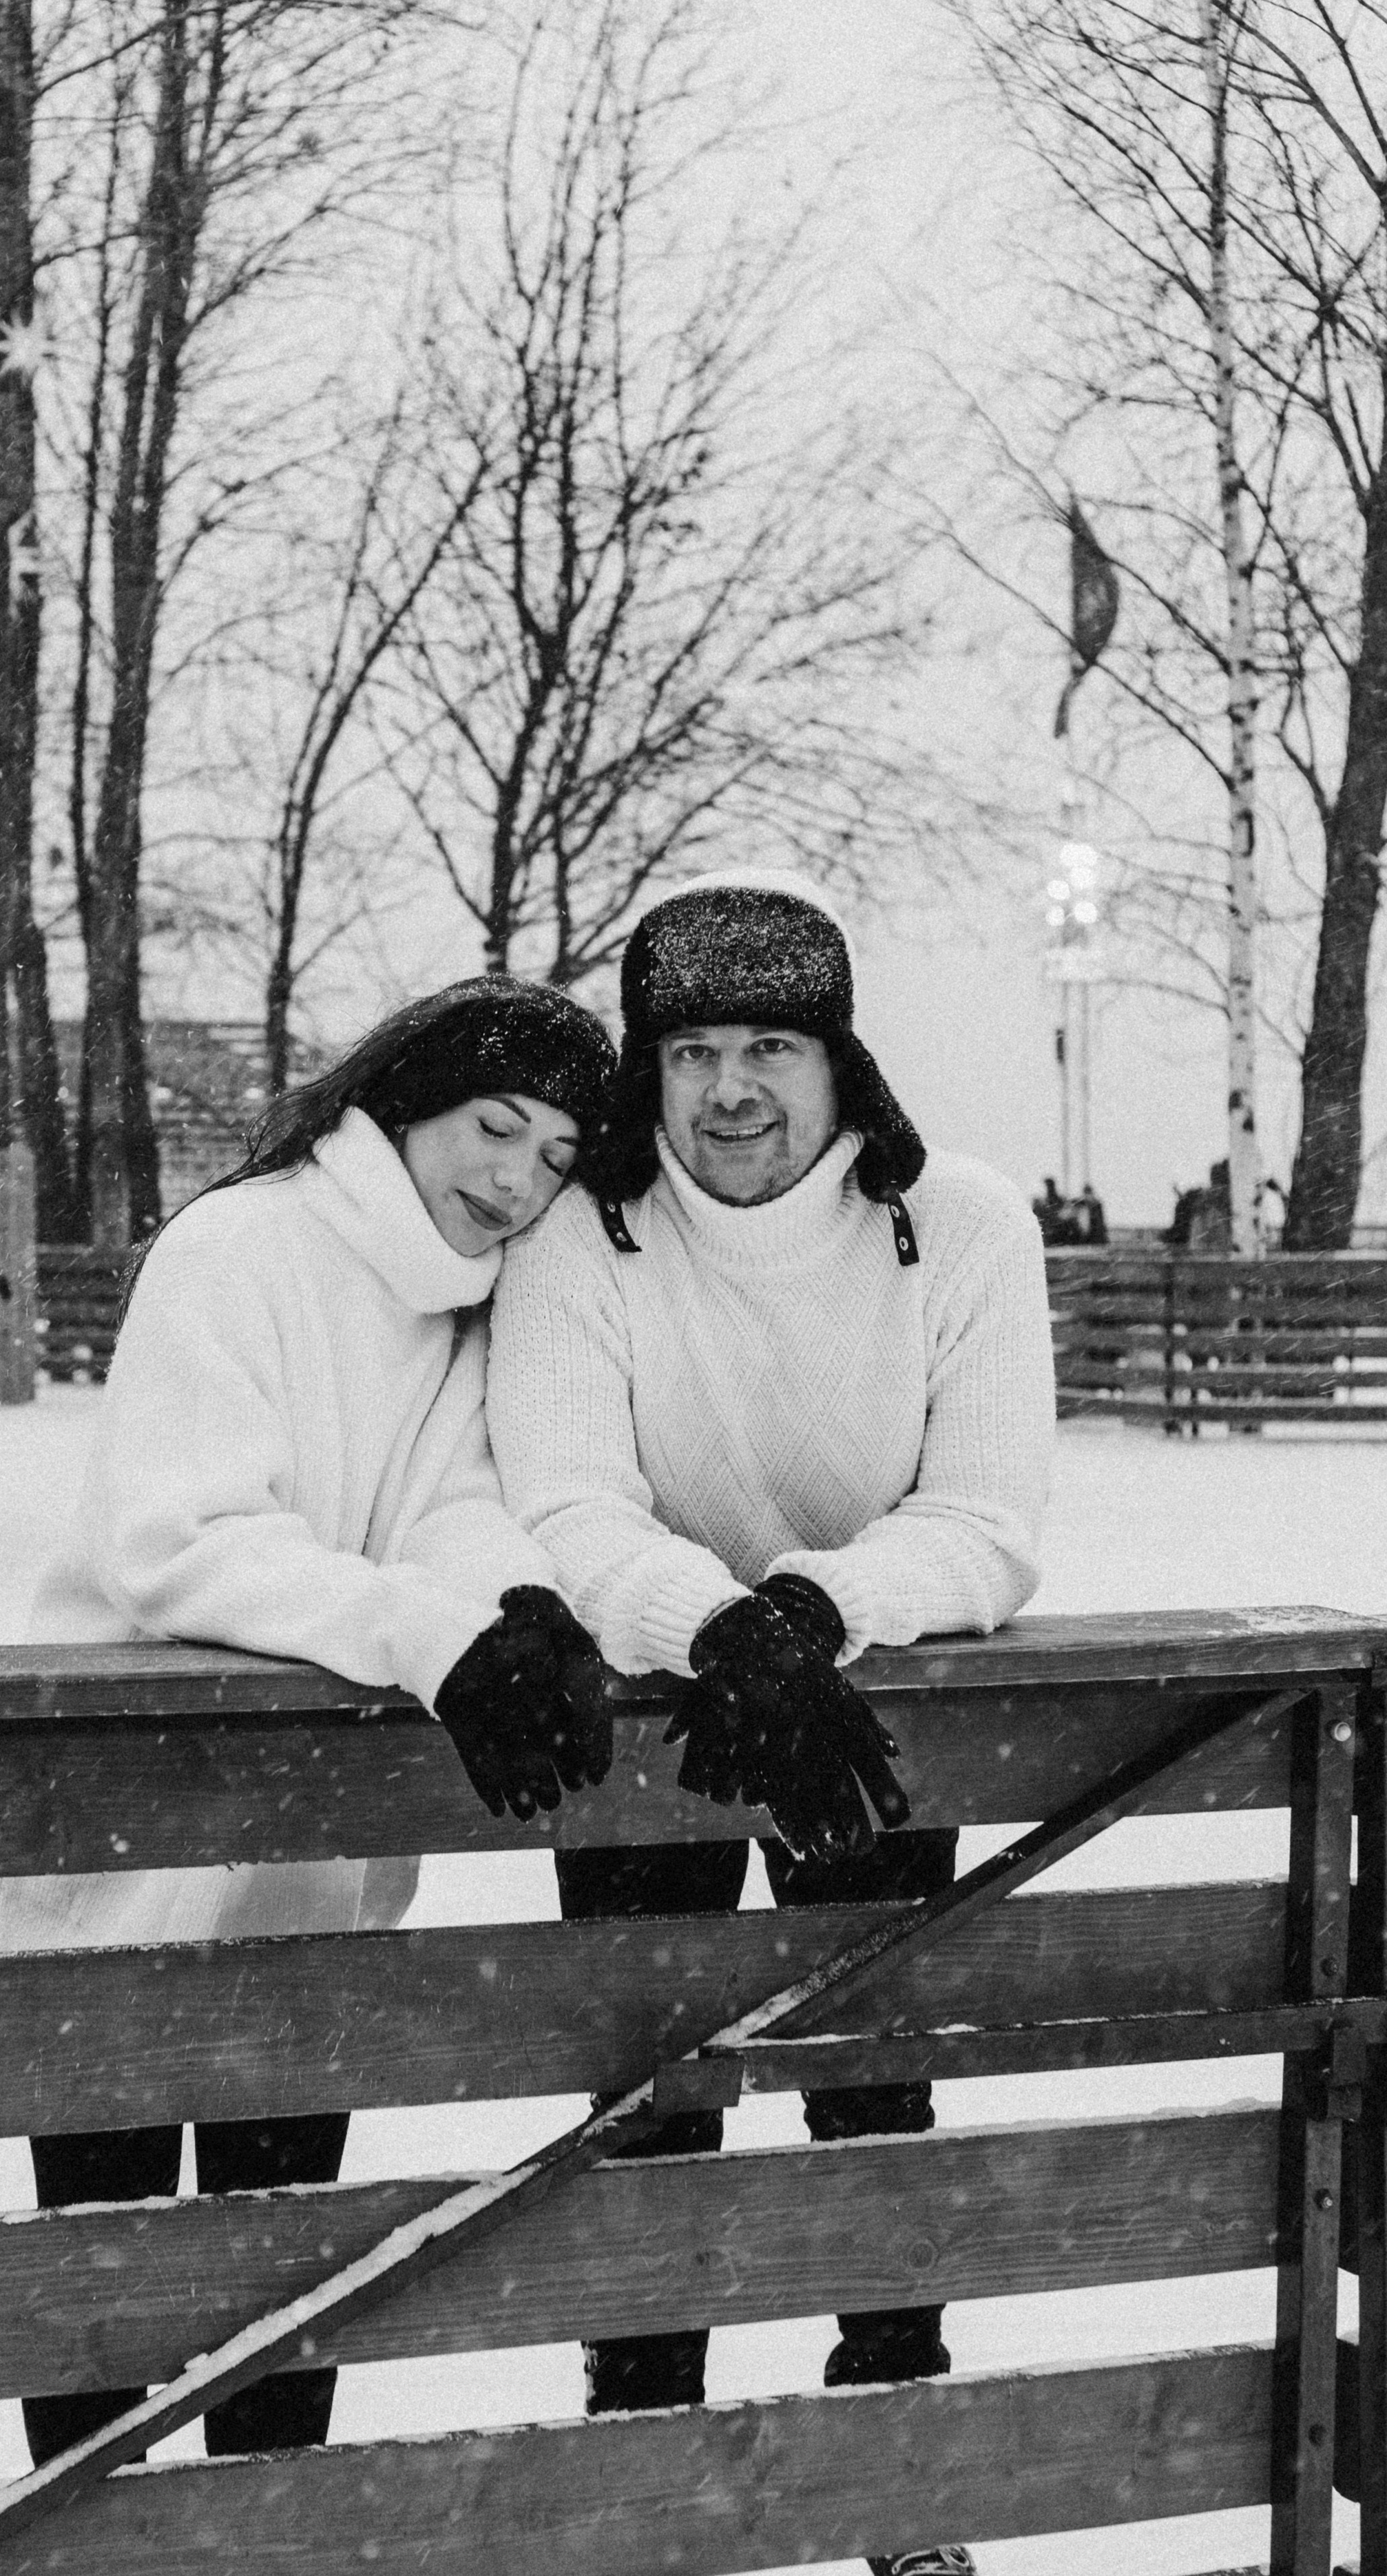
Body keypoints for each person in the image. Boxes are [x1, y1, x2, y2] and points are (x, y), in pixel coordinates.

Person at [0, 975, 619, 2468]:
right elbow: (181, 1539)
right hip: (121, 1870)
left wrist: (516, 1606)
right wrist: (426, 1638)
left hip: (307, 1874)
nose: (516, 1179)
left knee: (287, 2300)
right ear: (408, 1103)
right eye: (494, 1126)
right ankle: (85, 2554)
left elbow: (449, 1501)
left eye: (557, 1157)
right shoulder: (241, 1247)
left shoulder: (470, 1303)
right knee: (106, 2305)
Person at [487, 870, 1056, 2576]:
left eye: (769, 1049)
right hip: (649, 1717)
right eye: (690, 1053)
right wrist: (717, 1626)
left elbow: (987, 1515)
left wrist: (809, 1616)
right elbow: (564, 1501)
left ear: (836, 1060)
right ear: (645, 1072)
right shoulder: (579, 1235)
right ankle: (646, 2475)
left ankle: (894, 2475)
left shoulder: (959, 1224)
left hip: (854, 1709)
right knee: (646, 2103)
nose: (729, 1090)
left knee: (869, 2090)